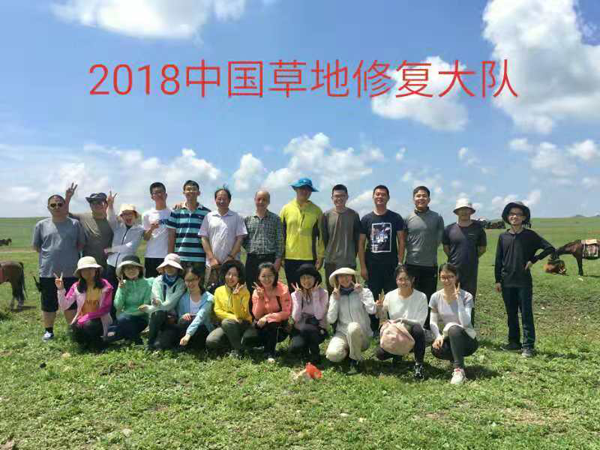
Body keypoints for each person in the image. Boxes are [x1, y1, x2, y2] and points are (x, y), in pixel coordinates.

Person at [495, 201, 555, 358]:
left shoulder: (530, 235)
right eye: (511, 214)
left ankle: (528, 346)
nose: (514, 216)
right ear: (507, 216)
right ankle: (514, 342)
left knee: (526, 314)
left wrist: (534, 259)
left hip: (523, 282)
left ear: (524, 217)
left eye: (518, 214)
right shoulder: (503, 237)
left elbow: (549, 248)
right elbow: (498, 259)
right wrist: (497, 280)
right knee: (511, 314)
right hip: (506, 281)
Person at [32, 193, 86, 341]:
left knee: (71, 303)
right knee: (48, 303)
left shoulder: (75, 224)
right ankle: (49, 331)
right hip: (48, 272)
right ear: (48, 207)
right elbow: (37, 246)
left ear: (65, 206)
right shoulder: (41, 225)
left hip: (71, 272)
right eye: (53, 205)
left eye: (60, 204)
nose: (57, 207)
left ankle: (73, 330)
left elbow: (80, 244)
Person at [358, 185, 405, 334]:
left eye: (383, 194)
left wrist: (400, 263)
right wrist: (363, 267)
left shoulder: (396, 218)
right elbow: (361, 244)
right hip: (372, 266)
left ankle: (392, 327)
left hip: (391, 266)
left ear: (388, 197)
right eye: (377, 194)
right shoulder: (366, 219)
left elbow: (401, 241)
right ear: (373, 197)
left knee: (393, 298)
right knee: (371, 298)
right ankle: (372, 328)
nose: (380, 197)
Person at [375, 265, 428, 379]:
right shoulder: (390, 295)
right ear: (396, 280)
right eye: (400, 279)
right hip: (396, 333)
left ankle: (418, 364)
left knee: (418, 329)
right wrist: (379, 308)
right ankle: (397, 355)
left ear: (413, 279)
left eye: (407, 279)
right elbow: (382, 317)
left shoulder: (421, 297)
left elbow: (420, 322)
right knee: (380, 354)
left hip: (412, 333)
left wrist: (404, 320)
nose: (403, 282)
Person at [429, 263, 478, 385]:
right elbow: (433, 321)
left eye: (450, 277)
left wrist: (459, 301)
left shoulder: (466, 296)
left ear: (456, 277)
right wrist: (438, 336)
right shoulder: (435, 297)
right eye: (443, 277)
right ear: (439, 278)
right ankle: (455, 359)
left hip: (467, 339)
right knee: (435, 349)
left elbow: (466, 323)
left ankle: (459, 370)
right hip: (448, 337)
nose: (447, 280)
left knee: (454, 329)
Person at [404, 186, 444, 326]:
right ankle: (411, 326)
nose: (421, 198)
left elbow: (439, 239)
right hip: (411, 264)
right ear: (413, 199)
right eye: (418, 196)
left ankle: (426, 327)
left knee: (428, 297)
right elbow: (403, 240)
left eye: (424, 196)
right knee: (411, 296)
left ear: (429, 199)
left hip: (430, 265)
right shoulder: (407, 218)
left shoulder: (437, 217)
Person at [442, 199, 487, 324]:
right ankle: (452, 328)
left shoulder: (478, 229)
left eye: (467, 209)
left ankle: (468, 328)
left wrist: (471, 257)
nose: (464, 212)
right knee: (451, 299)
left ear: (471, 212)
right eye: (461, 209)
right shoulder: (449, 229)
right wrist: (455, 259)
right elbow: (446, 248)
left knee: (469, 300)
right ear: (457, 212)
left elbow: (482, 249)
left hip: (470, 271)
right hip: (452, 271)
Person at [56, 256, 113, 350]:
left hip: (100, 319)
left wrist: (87, 317)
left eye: (90, 268)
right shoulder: (76, 286)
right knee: (73, 329)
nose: (87, 272)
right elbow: (64, 306)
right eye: (83, 270)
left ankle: (99, 344)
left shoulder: (105, 285)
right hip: (81, 319)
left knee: (89, 324)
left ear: (96, 270)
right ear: (80, 273)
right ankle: (85, 344)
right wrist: (61, 289)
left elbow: (106, 308)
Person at [326, 267, 376, 371]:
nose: (344, 279)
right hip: (343, 333)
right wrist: (335, 300)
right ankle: (350, 352)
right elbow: (331, 319)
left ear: (352, 277)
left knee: (353, 327)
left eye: (347, 275)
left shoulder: (365, 291)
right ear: (337, 280)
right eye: (341, 276)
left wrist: (361, 293)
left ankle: (356, 360)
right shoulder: (335, 295)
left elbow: (372, 310)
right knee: (332, 355)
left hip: (361, 335)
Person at [280, 178, 325, 291]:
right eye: (301, 188)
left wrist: (320, 256)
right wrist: (280, 256)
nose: (304, 191)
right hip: (289, 257)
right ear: (296, 189)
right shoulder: (286, 209)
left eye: (308, 189)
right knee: (293, 290)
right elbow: (280, 235)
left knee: (309, 289)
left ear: (311, 192)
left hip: (309, 257)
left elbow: (321, 237)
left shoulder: (317, 211)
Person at [199, 187, 247, 288]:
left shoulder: (237, 217)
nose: (222, 201)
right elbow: (204, 238)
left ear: (229, 200)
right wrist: (211, 258)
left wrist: (230, 258)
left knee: (233, 291)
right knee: (211, 292)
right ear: (215, 200)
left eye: (224, 199)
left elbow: (240, 239)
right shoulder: (209, 217)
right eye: (219, 199)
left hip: (232, 265)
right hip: (212, 264)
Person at [245, 262, 292, 362]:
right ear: (259, 277)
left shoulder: (283, 289)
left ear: (275, 276)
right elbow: (256, 315)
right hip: (261, 324)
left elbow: (286, 312)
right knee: (247, 340)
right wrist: (261, 298)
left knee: (272, 323)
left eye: (270, 275)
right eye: (263, 276)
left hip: (279, 326)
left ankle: (270, 353)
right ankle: (265, 345)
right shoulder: (257, 291)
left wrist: (267, 317)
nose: (267, 279)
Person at [205, 260, 253, 358]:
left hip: (243, 324)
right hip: (227, 324)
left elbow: (242, 315)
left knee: (227, 322)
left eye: (235, 275)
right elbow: (218, 311)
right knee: (211, 341)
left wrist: (236, 297)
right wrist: (233, 317)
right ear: (224, 275)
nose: (230, 277)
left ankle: (238, 350)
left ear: (239, 277)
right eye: (228, 274)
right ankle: (236, 345)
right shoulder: (218, 290)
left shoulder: (245, 292)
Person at [140, 253, 186, 350]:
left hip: (174, 319)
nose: (169, 268)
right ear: (163, 268)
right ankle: (150, 343)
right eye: (167, 266)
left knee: (160, 345)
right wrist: (156, 303)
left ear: (177, 268)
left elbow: (171, 303)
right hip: (159, 315)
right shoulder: (158, 280)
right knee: (158, 313)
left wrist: (150, 308)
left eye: (172, 266)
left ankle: (159, 339)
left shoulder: (181, 283)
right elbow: (156, 296)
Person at [322, 184, 361, 294]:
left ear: (347, 197)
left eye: (342, 196)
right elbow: (324, 238)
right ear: (332, 198)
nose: (339, 198)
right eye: (336, 196)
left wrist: (352, 254)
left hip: (348, 260)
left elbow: (357, 239)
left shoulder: (354, 215)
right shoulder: (326, 215)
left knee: (350, 292)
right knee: (333, 292)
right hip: (331, 261)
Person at [104, 255, 152, 345]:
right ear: (123, 271)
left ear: (139, 269)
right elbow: (118, 306)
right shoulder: (123, 284)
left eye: (133, 267)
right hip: (125, 319)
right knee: (109, 337)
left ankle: (137, 341)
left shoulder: (148, 283)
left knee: (123, 320)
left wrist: (127, 314)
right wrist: (122, 290)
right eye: (127, 268)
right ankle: (129, 336)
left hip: (140, 318)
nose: (130, 270)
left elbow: (145, 306)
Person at [64, 183, 114, 269]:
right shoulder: (83, 217)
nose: (96, 205)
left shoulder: (114, 220)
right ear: (90, 205)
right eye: (93, 203)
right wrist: (68, 198)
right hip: (88, 265)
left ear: (106, 204)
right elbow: (64, 214)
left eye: (100, 202)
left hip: (109, 264)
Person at [243, 190, 284, 294]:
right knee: (252, 288)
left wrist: (278, 260)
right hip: (252, 259)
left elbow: (280, 241)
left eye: (264, 200)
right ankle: (254, 305)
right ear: (255, 200)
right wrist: (250, 248)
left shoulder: (275, 219)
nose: (261, 202)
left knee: (270, 287)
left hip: (270, 258)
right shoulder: (247, 219)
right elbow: (243, 239)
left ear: (268, 201)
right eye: (259, 199)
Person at [104, 192, 144, 296]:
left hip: (126, 266)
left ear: (135, 215)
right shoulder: (118, 226)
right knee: (110, 291)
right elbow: (110, 218)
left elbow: (130, 247)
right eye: (125, 214)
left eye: (130, 213)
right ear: (121, 216)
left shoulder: (139, 229)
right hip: (111, 264)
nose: (128, 216)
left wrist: (111, 250)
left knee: (125, 292)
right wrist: (110, 205)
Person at [166, 180, 210, 272]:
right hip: (180, 258)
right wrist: (170, 257)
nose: (191, 191)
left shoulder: (207, 213)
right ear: (184, 192)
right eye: (188, 189)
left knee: (198, 282)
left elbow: (208, 237)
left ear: (198, 193)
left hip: (199, 258)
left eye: (194, 189)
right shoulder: (176, 211)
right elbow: (171, 236)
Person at [289, 264, 329, 364]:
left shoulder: (323, 293)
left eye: (309, 277)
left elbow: (319, 316)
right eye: (303, 278)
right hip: (300, 328)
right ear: (299, 280)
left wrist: (315, 295)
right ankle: (305, 351)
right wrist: (298, 299)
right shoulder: (295, 294)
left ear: (315, 278)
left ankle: (315, 354)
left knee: (308, 329)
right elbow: (296, 318)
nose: (306, 281)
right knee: (294, 348)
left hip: (317, 328)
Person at [178, 266, 215, 350]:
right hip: (187, 328)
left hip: (202, 328)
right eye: (187, 280)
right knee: (184, 322)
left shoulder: (209, 298)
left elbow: (201, 316)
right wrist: (183, 316)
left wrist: (188, 334)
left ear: (198, 279)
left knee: (199, 331)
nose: (190, 283)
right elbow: (179, 318)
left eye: (193, 279)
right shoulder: (183, 298)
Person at [142, 182, 172, 278]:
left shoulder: (173, 213)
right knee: (151, 283)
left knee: (167, 283)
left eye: (161, 192)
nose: (159, 195)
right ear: (152, 197)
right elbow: (145, 238)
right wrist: (151, 229)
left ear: (166, 195)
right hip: (151, 255)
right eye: (156, 193)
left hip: (167, 256)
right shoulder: (147, 214)